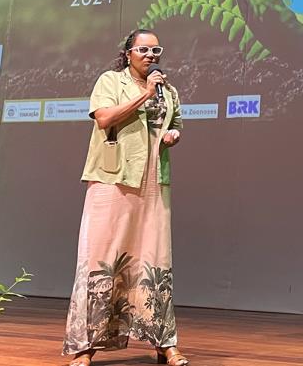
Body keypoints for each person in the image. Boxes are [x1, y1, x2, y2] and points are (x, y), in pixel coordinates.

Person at [63, 29, 189, 366]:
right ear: (128, 52)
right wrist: (145, 95)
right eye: (143, 49)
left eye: (156, 49)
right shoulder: (110, 81)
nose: (151, 55)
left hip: (152, 181)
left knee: (154, 258)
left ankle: (165, 343)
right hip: (113, 179)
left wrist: (173, 134)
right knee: (101, 257)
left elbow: (174, 122)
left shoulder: (169, 90)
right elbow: (104, 118)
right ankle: (85, 346)